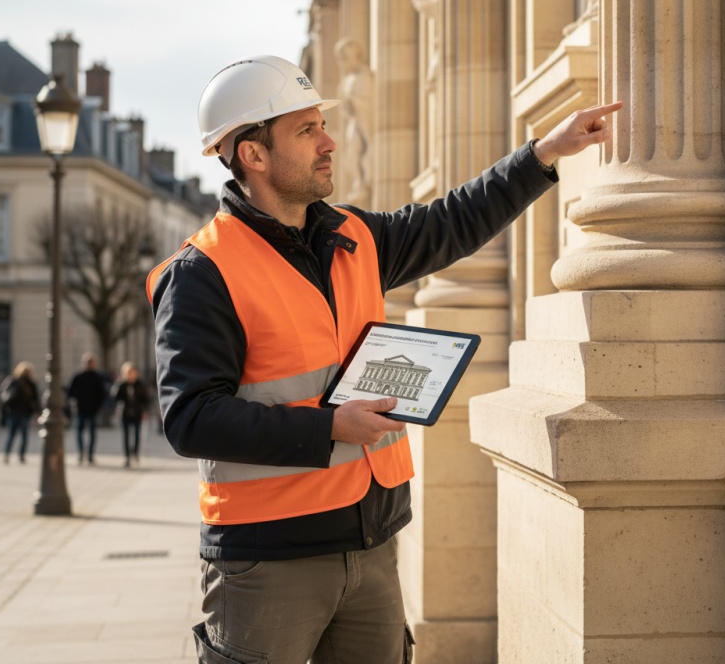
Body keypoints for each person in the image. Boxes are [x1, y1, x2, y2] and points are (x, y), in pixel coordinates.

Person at [148, 54, 621, 664]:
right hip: (269, 563)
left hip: (373, 546)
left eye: (322, 124)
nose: (330, 141)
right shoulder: (201, 272)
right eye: (307, 130)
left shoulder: (353, 236)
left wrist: (542, 154)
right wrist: (331, 427)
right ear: (252, 156)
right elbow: (190, 417)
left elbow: (451, 221)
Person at [67, 353, 108, 464]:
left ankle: (90, 455)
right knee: (79, 432)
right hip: (80, 409)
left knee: (92, 433)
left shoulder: (97, 377)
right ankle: (81, 453)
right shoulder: (78, 376)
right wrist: (75, 401)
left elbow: (102, 394)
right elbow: (70, 392)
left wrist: (98, 406)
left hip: (93, 410)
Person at [0, 361, 40, 464]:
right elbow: (36, 400)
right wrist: (37, 412)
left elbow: (2, 393)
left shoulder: (14, 381)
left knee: (12, 435)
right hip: (23, 413)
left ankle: (8, 454)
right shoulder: (26, 383)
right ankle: (20, 455)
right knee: (23, 435)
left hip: (15, 412)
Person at [111, 361, 150, 467]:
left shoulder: (140, 384)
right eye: (129, 372)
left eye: (133, 372)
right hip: (125, 413)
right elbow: (115, 397)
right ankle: (127, 457)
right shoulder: (121, 384)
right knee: (126, 436)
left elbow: (146, 399)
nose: (131, 374)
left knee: (137, 434)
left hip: (137, 413)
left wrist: (145, 411)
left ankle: (135, 454)